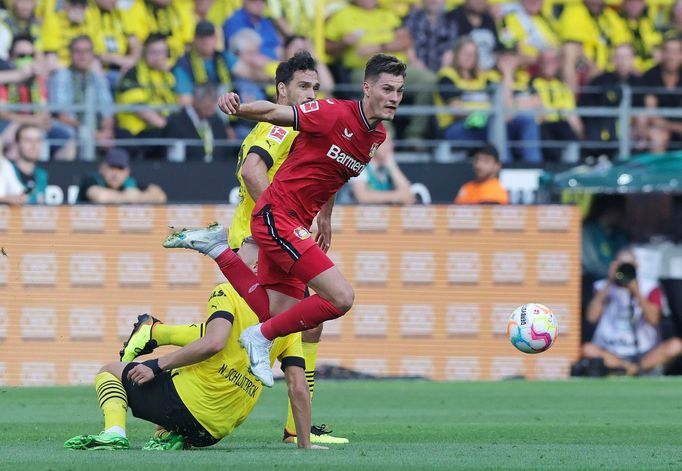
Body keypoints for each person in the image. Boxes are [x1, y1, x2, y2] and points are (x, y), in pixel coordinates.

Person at [163, 54, 406, 388]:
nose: (394, 98)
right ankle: (260, 340)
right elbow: (274, 114)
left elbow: (333, 173)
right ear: (367, 88)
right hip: (279, 218)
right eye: (387, 89)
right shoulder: (331, 112)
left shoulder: (375, 137)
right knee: (341, 297)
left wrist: (326, 216)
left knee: (277, 313)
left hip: (290, 220)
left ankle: (218, 249)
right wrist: (237, 108)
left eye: (399, 91)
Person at [64, 245, 318, 450]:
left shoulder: (229, 291)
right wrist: (304, 443)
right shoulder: (290, 325)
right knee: (194, 368)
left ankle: (114, 433)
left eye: (240, 250)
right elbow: (298, 387)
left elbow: (214, 342)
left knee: (110, 370)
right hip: (214, 432)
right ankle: (169, 433)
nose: (235, 255)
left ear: (254, 268)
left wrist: (155, 364)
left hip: (185, 407)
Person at [224, 51, 346, 444]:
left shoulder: (305, 126)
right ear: (282, 90)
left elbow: (325, 168)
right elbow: (251, 171)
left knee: (305, 325)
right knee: (243, 336)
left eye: (315, 87)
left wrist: (324, 215)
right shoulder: (280, 128)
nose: (311, 95)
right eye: (303, 87)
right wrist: (276, 222)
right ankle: (158, 336)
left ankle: (299, 429)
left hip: (269, 240)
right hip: (257, 244)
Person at [582, 249, 682, 376]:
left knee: (675, 345)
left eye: (628, 266)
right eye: (621, 266)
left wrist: (637, 292)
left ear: (637, 266)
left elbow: (654, 319)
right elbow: (591, 317)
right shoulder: (601, 287)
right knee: (588, 349)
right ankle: (629, 369)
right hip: (611, 351)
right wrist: (609, 282)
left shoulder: (650, 287)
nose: (624, 270)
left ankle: (632, 369)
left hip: (644, 352)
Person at [48, 35, 115, 151]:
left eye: (87, 51)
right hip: (71, 127)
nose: (83, 56)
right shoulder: (61, 76)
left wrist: (106, 131)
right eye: (78, 51)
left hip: (95, 128)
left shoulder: (97, 78)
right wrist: (94, 133)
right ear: (70, 54)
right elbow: (62, 116)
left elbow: (107, 112)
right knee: (79, 135)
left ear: (92, 55)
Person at [164, 83, 232, 162]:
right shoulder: (177, 123)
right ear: (196, 100)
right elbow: (174, 158)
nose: (212, 104)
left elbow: (224, 150)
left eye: (214, 99)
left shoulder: (217, 121)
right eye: (209, 99)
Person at [173, 20, 232, 106]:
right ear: (194, 40)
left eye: (209, 37)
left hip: (225, 110)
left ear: (215, 39)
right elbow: (184, 100)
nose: (206, 41)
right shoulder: (184, 63)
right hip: (199, 112)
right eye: (202, 37)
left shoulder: (222, 56)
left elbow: (245, 70)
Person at [77, 148, 167, 204]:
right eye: (112, 168)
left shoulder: (129, 182)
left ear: (127, 172)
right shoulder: (91, 179)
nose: (115, 174)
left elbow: (160, 196)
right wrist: (127, 197)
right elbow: (99, 197)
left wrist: (139, 197)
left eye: (120, 169)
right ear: (102, 168)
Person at [349, 131, 415, 204]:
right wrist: (396, 196)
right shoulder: (359, 164)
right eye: (386, 143)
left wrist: (392, 166)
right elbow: (362, 196)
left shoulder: (387, 167)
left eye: (391, 142)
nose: (390, 146)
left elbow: (409, 197)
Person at [8, 123, 48, 204]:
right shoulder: (5, 170)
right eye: (28, 140)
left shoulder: (42, 175)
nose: (34, 145)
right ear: (17, 144)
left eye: (38, 140)